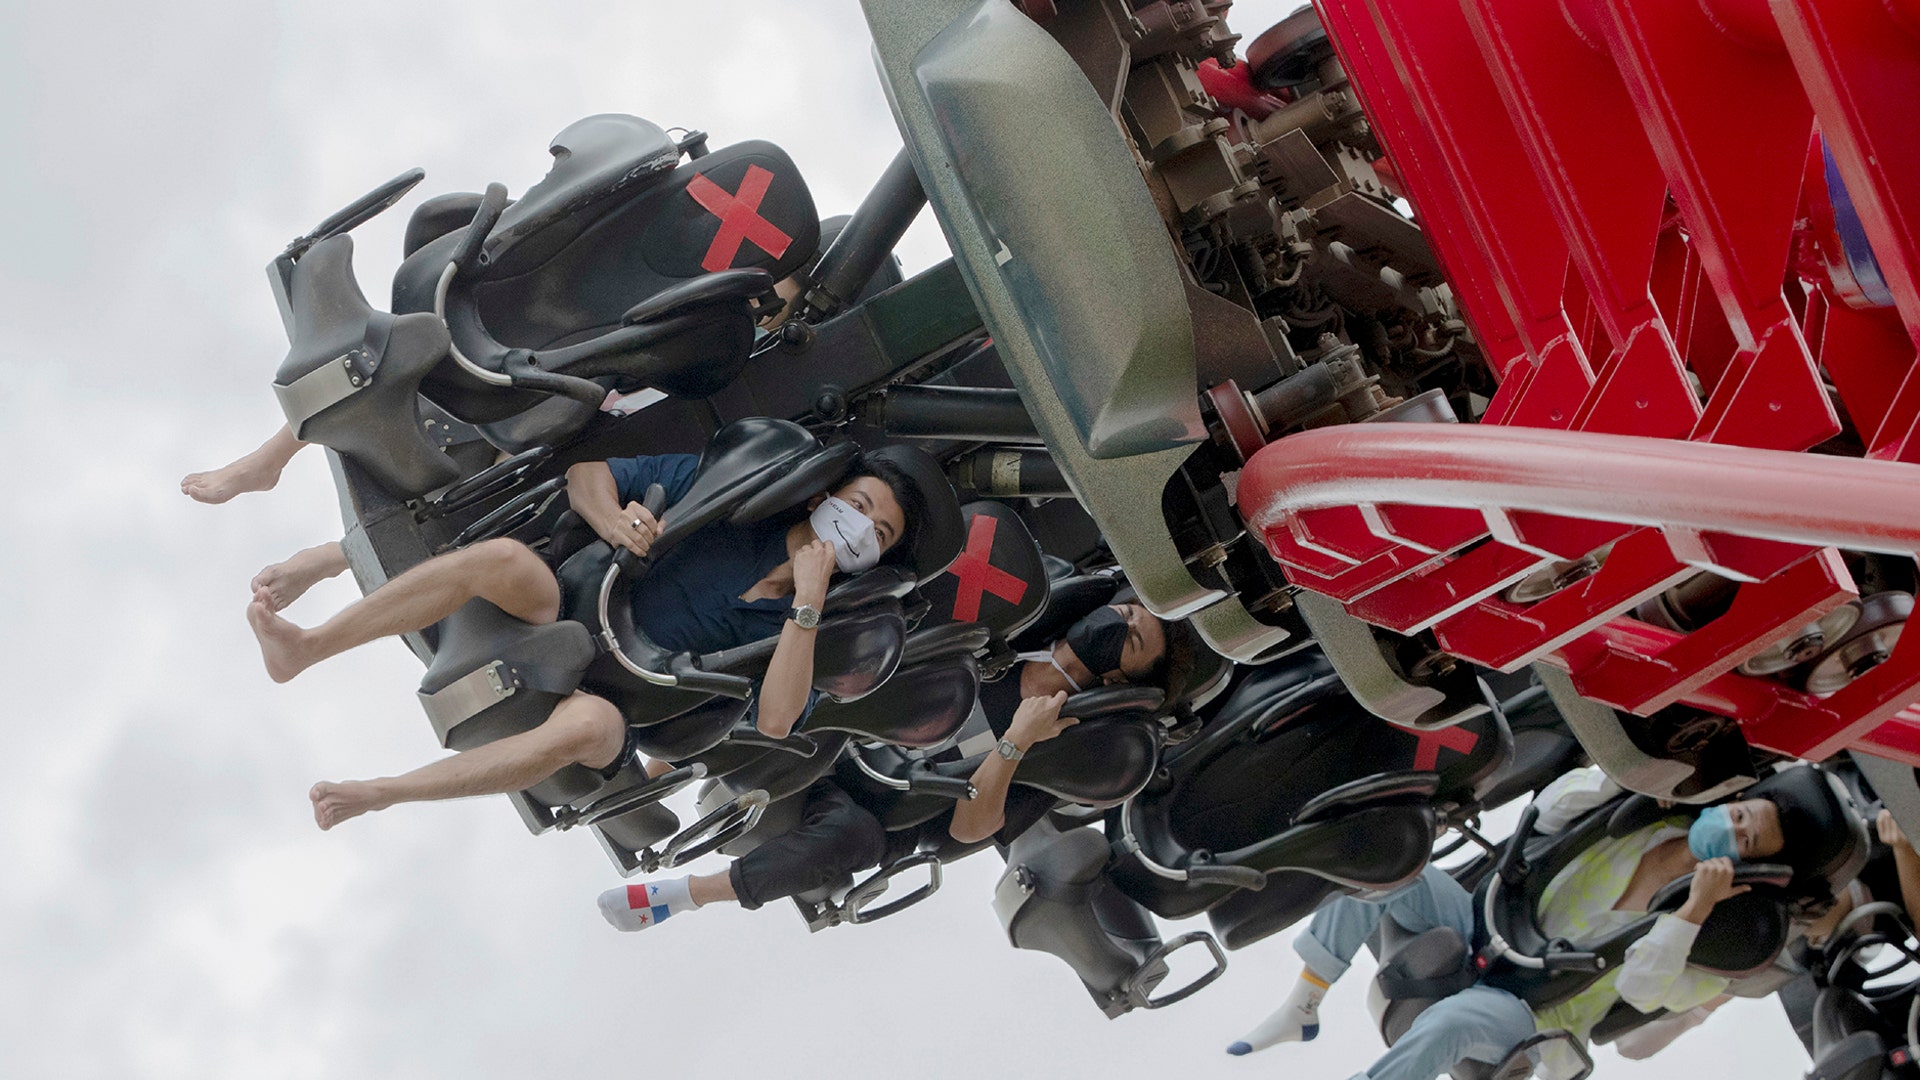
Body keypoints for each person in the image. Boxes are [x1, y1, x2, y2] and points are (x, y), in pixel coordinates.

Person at [255, 445, 942, 831]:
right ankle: (307, 645)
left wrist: (811, 602)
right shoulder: (735, 495)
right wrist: (614, 519)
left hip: (624, 707)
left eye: (877, 534)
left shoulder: (817, 631)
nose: (859, 527)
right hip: (571, 606)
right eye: (857, 505)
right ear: (827, 495)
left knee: (587, 724)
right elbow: (590, 473)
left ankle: (383, 793)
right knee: (506, 560)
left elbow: (778, 717)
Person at [595, 602, 1199, 932]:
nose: (1119, 624)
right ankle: (637, 779)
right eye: (1125, 612)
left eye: (1132, 639)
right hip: (843, 729)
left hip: (875, 804)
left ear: (1120, 677)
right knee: (791, 696)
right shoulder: (1015, 622)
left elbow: (970, 829)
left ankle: (683, 895)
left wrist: (1014, 743)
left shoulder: (1067, 747)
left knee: (853, 836)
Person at [1226, 764, 1817, 1080]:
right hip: (1489, 925)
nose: (1732, 829)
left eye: (1745, 839)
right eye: (1738, 815)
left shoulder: (1712, 935)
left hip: (1530, 1008)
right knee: (1390, 869)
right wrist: (1628, 782)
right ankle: (1304, 1006)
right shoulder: (1642, 822)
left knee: (1451, 1023)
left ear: (1749, 862)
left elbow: (1643, 988)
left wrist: (1693, 911)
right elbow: (1551, 809)